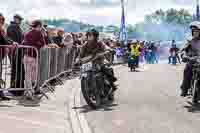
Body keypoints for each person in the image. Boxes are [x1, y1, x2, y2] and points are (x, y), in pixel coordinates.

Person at [79, 29, 118, 100]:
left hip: (99, 61)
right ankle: (88, 90)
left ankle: (112, 85)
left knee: (104, 69)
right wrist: (77, 60)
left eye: (91, 35)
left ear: (95, 36)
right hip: (89, 63)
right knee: (83, 73)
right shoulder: (85, 45)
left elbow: (105, 47)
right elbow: (80, 55)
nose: (89, 37)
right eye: (88, 35)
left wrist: (109, 49)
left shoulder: (99, 43)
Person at [23, 20, 46, 100]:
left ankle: (28, 91)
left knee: (27, 75)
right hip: (34, 56)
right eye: (41, 26)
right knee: (33, 75)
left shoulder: (27, 33)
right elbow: (43, 44)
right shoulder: (39, 33)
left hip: (27, 55)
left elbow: (24, 43)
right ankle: (30, 91)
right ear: (39, 26)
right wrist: (37, 44)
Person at [180, 21, 200, 97]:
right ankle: (184, 89)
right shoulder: (190, 41)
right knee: (187, 70)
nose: (195, 33)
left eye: (197, 31)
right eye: (194, 31)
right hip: (192, 60)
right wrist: (183, 55)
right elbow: (184, 49)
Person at [7, 14, 25, 96]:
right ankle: (14, 88)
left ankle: (19, 88)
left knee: (20, 70)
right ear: (14, 19)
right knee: (15, 70)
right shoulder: (11, 27)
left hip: (20, 51)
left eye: (21, 20)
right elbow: (11, 39)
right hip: (14, 52)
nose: (20, 21)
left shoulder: (19, 28)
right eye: (19, 19)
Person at [0, 13, 17, 100]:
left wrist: (12, 42)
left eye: (3, 20)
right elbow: (3, 40)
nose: (2, 22)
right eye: (0, 20)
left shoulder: (2, 29)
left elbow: (5, 38)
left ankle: (1, 93)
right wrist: (11, 43)